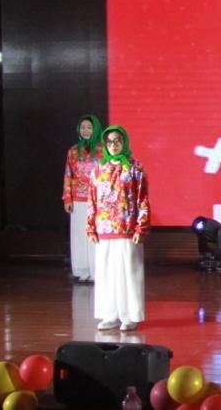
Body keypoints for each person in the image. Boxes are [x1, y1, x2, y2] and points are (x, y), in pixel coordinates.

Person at [87, 125, 149, 331]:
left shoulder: (134, 167)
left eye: (117, 141)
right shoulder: (98, 169)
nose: (113, 145)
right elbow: (92, 199)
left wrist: (141, 227)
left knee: (128, 273)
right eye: (109, 142)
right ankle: (109, 315)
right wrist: (90, 227)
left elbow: (142, 199)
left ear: (124, 142)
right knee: (107, 275)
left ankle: (129, 316)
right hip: (104, 229)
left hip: (127, 228)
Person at [63, 114, 102, 282]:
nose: (85, 130)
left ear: (96, 129)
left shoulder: (102, 150)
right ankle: (81, 270)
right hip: (78, 199)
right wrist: (67, 198)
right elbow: (68, 174)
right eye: (83, 127)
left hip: (97, 199)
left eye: (89, 127)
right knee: (79, 234)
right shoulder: (73, 151)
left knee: (94, 234)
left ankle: (96, 270)